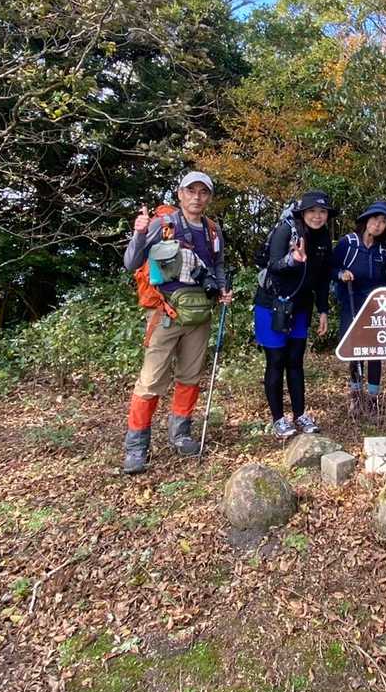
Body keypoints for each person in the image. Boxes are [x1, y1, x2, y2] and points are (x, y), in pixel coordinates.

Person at [122, 171, 233, 475]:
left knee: (190, 376)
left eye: (203, 192)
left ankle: (180, 433)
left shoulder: (213, 231)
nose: (197, 197)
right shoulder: (162, 224)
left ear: (209, 197)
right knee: (150, 380)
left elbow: (218, 265)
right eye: (191, 191)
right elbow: (131, 262)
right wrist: (140, 234)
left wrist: (222, 288)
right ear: (180, 193)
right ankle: (136, 447)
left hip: (200, 314)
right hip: (165, 313)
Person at [254, 191, 334, 438]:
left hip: (301, 306)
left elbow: (323, 278)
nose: (317, 216)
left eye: (322, 212)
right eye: (312, 211)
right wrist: (293, 260)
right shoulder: (286, 230)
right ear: (302, 213)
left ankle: (300, 414)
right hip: (272, 304)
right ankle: (278, 419)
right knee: (276, 360)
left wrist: (323, 310)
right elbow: (274, 265)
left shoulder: (323, 237)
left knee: (296, 361)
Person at [332, 199, 386, 418]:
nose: (378, 224)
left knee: (375, 353)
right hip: (351, 303)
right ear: (366, 220)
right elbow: (330, 267)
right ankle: (355, 397)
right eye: (375, 219)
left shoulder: (385, 250)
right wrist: (341, 274)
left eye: (383, 221)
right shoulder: (348, 243)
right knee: (355, 351)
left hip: (375, 308)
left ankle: (373, 400)